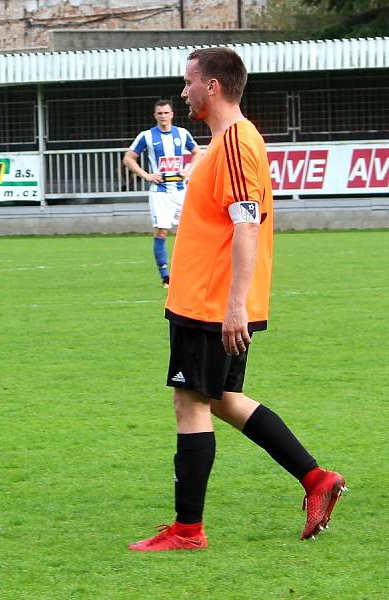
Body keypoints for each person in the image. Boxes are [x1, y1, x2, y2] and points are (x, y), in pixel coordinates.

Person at [128, 48, 346, 551]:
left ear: (213, 87)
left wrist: (234, 307)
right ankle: (316, 479)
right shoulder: (224, 142)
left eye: (188, 82)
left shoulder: (234, 144)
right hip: (206, 297)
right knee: (220, 399)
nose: (182, 92)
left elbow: (247, 225)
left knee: (190, 402)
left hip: (210, 302)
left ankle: (188, 530)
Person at [123, 100, 201, 288]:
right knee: (161, 231)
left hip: (181, 190)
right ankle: (166, 276)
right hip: (160, 192)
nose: (163, 116)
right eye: (160, 113)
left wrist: (189, 170)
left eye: (166, 113)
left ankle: (190, 271)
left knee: (190, 231)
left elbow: (198, 152)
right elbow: (128, 158)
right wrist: (146, 175)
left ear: (172, 114)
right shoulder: (147, 136)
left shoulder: (182, 134)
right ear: (155, 115)